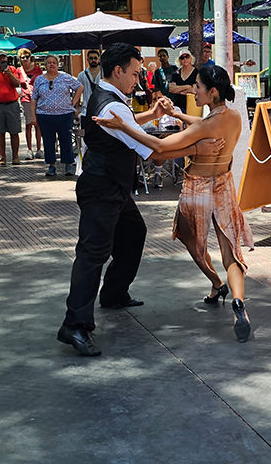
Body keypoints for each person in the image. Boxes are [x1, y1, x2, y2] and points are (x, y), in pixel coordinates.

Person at [57, 43, 222, 356]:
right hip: (101, 188)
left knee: (134, 234)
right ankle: (75, 325)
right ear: (117, 71)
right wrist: (196, 149)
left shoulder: (109, 97)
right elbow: (155, 152)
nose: (139, 78)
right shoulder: (111, 107)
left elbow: (127, 125)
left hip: (114, 186)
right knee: (92, 253)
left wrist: (151, 114)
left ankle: (114, 293)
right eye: (134, 73)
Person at [94, 63, 254, 342]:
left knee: (192, 242)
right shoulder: (234, 117)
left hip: (198, 190)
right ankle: (238, 301)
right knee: (231, 252)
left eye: (199, 87)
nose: (194, 90)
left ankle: (216, 283)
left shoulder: (204, 126)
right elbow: (203, 126)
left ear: (213, 91)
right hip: (224, 185)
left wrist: (124, 126)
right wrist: (176, 113)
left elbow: (159, 148)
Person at [31, 55, 82, 177]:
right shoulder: (39, 80)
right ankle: (51, 166)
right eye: (49, 63)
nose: (51, 65)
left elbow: (80, 87)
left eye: (54, 62)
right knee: (48, 141)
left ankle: (68, 164)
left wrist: (73, 103)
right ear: (45, 65)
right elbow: (33, 98)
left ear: (57, 64)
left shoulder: (65, 77)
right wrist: (33, 116)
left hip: (65, 114)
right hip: (45, 115)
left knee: (66, 140)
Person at [0, 50, 23, 165]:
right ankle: (2, 157)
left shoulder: (12, 69)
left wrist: (9, 74)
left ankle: (15, 157)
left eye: (4, 58)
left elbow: (17, 84)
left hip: (12, 104)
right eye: (0, 58)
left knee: (14, 132)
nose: (2, 60)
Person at [18, 48, 44, 160]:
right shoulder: (19, 71)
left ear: (30, 57)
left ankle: (39, 149)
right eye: (22, 57)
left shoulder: (37, 69)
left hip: (38, 99)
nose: (25, 59)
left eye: (26, 57)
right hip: (26, 100)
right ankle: (29, 150)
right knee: (28, 124)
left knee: (38, 124)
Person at [76, 49, 102, 117]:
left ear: (99, 59)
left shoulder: (104, 74)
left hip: (102, 110)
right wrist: (77, 109)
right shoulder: (81, 75)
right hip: (86, 111)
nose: (93, 60)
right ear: (87, 59)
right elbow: (78, 93)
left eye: (95, 58)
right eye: (91, 58)